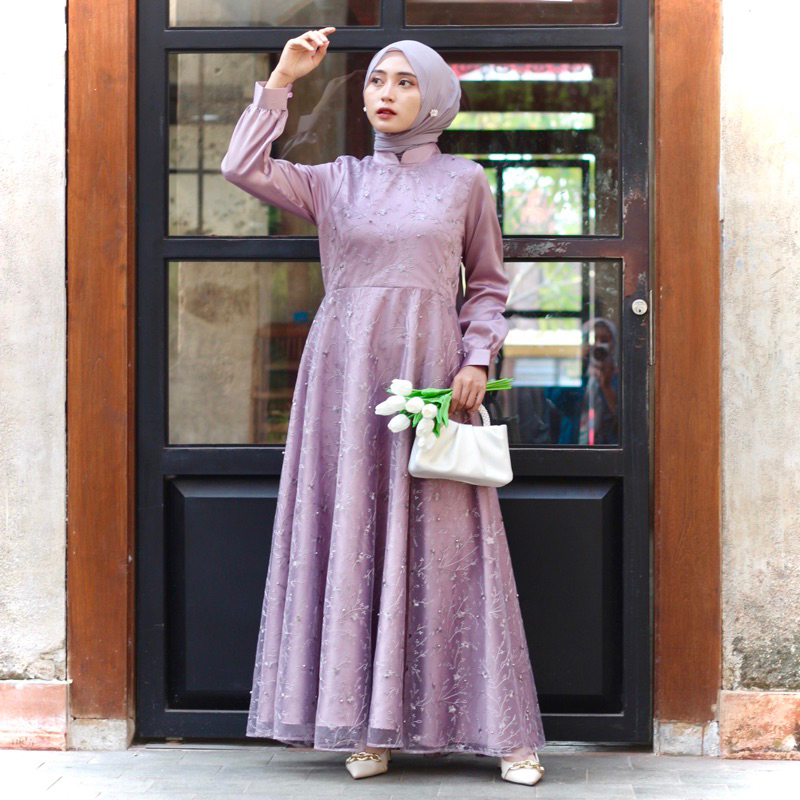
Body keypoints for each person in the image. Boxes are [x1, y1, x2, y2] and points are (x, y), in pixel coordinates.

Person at [220, 28, 546, 786]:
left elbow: (488, 283)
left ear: (434, 97)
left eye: (404, 81)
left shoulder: (465, 181)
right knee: (352, 537)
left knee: (451, 546)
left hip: (432, 374)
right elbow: (241, 166)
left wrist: (476, 357)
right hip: (345, 380)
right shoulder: (335, 180)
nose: (386, 93)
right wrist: (282, 79)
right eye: (375, 81)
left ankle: (505, 735)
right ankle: (365, 725)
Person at [578, 317, 619, 445]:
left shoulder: (622, 376)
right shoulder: (576, 373)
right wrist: (578, 363)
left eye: (605, 340)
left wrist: (607, 386)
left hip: (610, 445)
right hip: (574, 442)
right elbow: (559, 404)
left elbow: (625, 420)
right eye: (593, 340)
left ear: (614, 344)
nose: (598, 345)